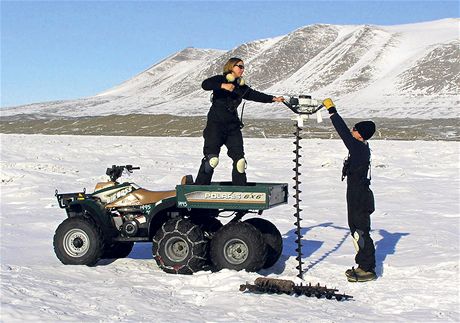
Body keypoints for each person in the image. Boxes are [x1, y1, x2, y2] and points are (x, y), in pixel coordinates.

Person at [195, 57, 284, 186]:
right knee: (212, 160)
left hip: (233, 128)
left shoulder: (241, 86)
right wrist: (222, 85)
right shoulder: (220, 79)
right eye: (240, 66)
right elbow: (205, 84)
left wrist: (273, 99)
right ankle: (199, 189)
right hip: (215, 126)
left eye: (243, 67)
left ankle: (241, 191)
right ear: (231, 67)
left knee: (240, 161)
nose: (242, 69)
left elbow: (255, 95)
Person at [323, 98, 377, 282]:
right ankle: (363, 264)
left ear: (360, 134)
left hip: (359, 196)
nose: (352, 130)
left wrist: (332, 111)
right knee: (357, 230)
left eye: (355, 129)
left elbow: (343, 133)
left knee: (360, 231)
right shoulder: (362, 147)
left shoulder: (358, 148)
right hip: (358, 194)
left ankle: (367, 268)